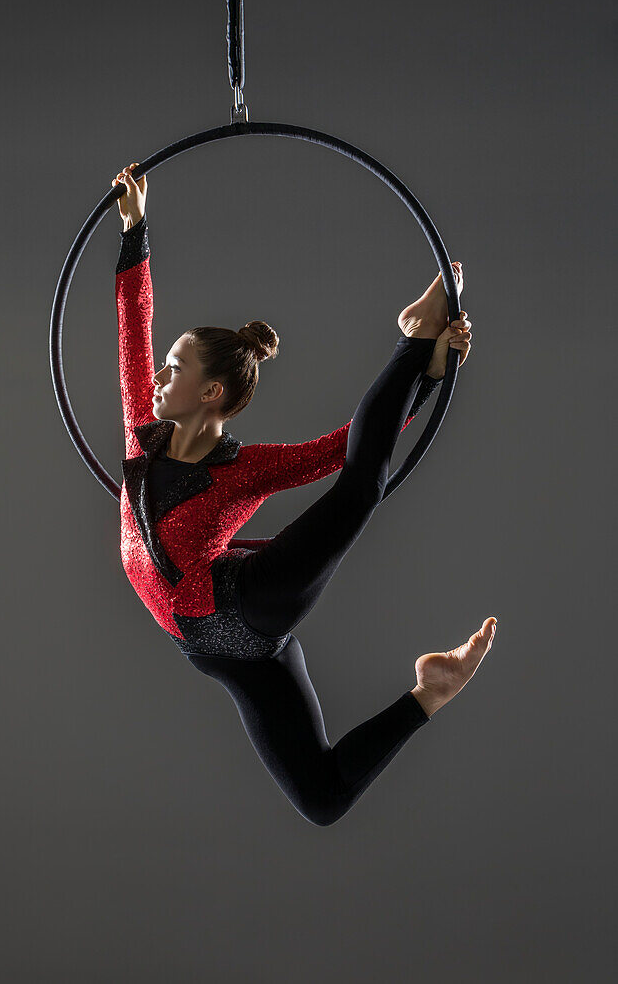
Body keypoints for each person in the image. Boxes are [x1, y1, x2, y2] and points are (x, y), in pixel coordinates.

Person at [112, 163, 497, 826]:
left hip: (245, 604)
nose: (157, 379)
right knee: (322, 798)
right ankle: (429, 693)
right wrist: (134, 229)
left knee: (360, 487)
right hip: (218, 654)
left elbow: (343, 450)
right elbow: (131, 323)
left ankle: (409, 341)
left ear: (210, 393)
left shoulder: (248, 469)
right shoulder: (139, 440)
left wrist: (426, 377)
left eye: (175, 369)